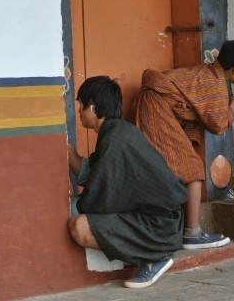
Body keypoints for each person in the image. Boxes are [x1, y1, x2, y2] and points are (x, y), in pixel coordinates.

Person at [131, 38, 234, 249]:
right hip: (155, 108)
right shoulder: (215, 84)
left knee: (168, 166)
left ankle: (176, 227)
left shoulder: (207, 71)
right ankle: (192, 233)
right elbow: (217, 125)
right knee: (192, 167)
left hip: (151, 103)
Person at [67, 76, 188, 289]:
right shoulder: (117, 131)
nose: (79, 112)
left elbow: (99, 194)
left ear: (93, 107)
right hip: (162, 221)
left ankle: (154, 257)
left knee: (79, 226)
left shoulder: (116, 139)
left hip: (160, 228)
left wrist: (78, 205)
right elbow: (93, 172)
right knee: (74, 207)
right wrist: (65, 148)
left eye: (81, 106)